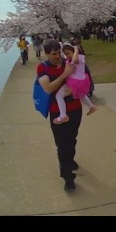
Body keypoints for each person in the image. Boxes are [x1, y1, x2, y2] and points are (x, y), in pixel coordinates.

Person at [37, 39, 83, 191]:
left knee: (72, 138)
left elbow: (83, 79)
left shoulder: (68, 61)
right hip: (58, 112)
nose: (58, 56)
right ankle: (67, 176)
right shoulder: (42, 68)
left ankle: (70, 160)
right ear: (47, 54)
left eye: (59, 52)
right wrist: (64, 75)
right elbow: (48, 88)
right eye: (54, 54)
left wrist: (76, 89)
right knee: (62, 144)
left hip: (75, 108)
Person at [53, 43, 97, 124]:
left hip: (75, 82)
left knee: (58, 96)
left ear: (74, 52)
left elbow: (75, 60)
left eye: (68, 53)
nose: (67, 55)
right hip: (78, 81)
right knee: (81, 94)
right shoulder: (69, 59)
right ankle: (91, 106)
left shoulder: (79, 58)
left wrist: (76, 49)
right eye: (66, 54)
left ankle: (63, 115)